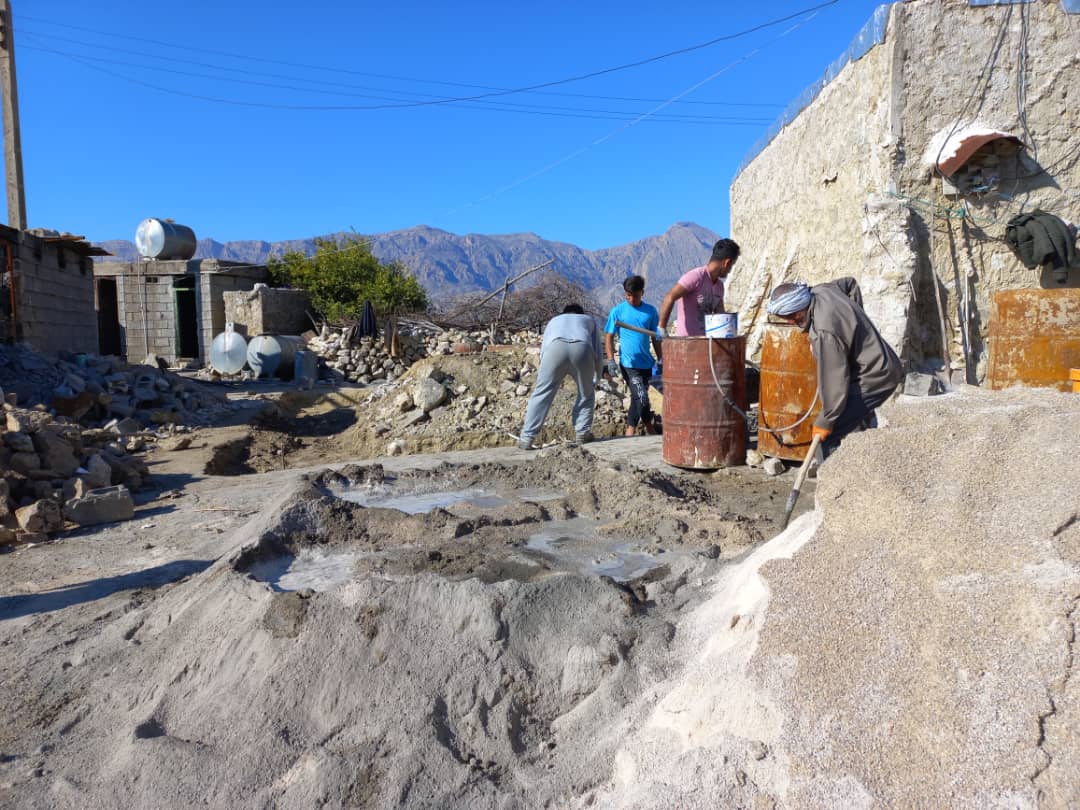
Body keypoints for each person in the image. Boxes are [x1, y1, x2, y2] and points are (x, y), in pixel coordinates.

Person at [766, 278, 903, 457]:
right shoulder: (823, 291)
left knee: (827, 436)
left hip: (875, 377)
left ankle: (831, 484)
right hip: (879, 366)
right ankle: (860, 470)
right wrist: (852, 323)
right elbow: (850, 283)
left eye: (792, 317)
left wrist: (827, 420)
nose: (792, 322)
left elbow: (834, 381)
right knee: (853, 425)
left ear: (801, 306)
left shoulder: (825, 331)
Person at [517, 303, 604, 450]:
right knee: (586, 393)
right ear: (580, 314)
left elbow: (544, 349)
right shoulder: (588, 320)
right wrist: (597, 377)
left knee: (542, 393)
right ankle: (582, 433)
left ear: (564, 314)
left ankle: (526, 437)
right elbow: (598, 354)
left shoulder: (554, 321)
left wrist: (546, 374)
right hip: (582, 348)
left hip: (554, 348)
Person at [604, 275, 662, 436]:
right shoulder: (618, 311)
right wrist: (610, 360)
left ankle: (649, 427)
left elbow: (655, 338)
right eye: (628, 295)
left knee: (640, 397)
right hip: (628, 364)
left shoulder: (650, 311)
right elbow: (608, 336)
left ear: (642, 292)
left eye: (635, 296)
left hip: (646, 364)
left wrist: (661, 359)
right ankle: (631, 430)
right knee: (641, 396)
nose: (631, 299)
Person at [659, 238, 741, 336]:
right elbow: (670, 297)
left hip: (706, 343)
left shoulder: (719, 287)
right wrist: (661, 329)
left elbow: (720, 316)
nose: (730, 270)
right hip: (687, 344)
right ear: (727, 263)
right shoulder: (695, 277)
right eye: (731, 266)